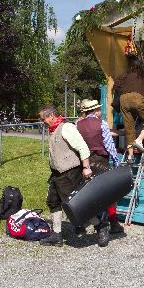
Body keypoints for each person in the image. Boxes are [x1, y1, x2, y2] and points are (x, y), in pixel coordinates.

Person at [38, 104, 94, 247]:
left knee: (76, 204)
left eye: (43, 118)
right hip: (57, 174)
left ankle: (100, 226)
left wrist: (86, 167)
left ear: (51, 116)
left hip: (70, 172)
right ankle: (57, 235)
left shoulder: (66, 127)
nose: (42, 122)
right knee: (53, 201)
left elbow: (82, 147)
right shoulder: (53, 129)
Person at [76, 98, 124, 244]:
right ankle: (113, 223)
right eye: (98, 109)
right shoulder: (101, 124)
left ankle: (83, 223)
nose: (100, 112)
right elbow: (109, 145)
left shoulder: (77, 124)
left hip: (83, 163)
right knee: (107, 192)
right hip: (100, 161)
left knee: (87, 192)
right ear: (95, 110)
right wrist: (116, 162)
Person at [113, 55, 144, 161]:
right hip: (137, 98)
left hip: (123, 100)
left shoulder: (125, 74)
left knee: (129, 129)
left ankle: (130, 156)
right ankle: (139, 140)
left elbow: (116, 85)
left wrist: (124, 92)